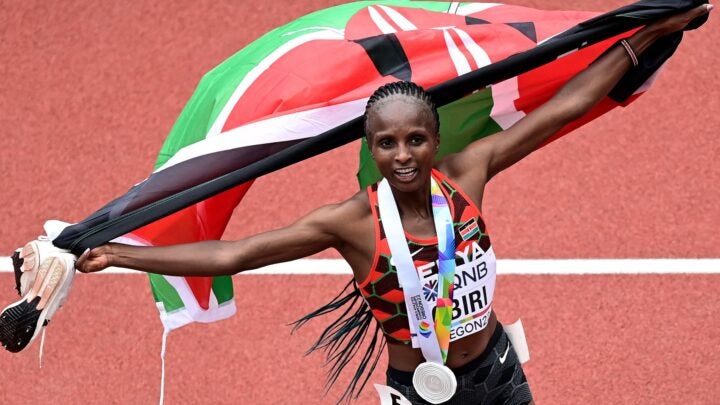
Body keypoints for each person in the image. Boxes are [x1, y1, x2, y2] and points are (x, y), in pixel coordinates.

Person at [76, 5, 712, 404]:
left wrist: (648, 33)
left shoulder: (469, 170)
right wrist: (122, 256)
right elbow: (234, 253)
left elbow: (566, 105)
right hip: (421, 394)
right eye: (388, 143)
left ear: (437, 139)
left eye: (415, 139)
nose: (404, 154)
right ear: (370, 149)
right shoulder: (350, 222)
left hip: (498, 374)